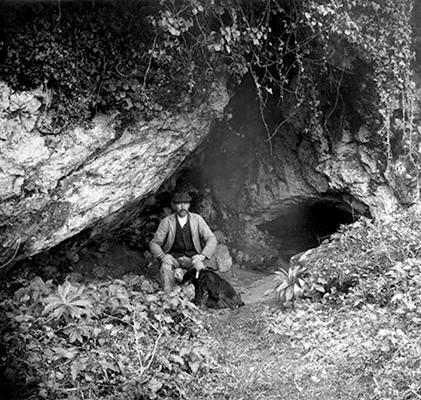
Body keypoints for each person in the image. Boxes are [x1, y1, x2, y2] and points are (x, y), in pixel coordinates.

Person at [149, 192, 217, 292]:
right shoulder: (167, 221)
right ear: (174, 205)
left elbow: (211, 238)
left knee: (200, 268)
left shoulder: (197, 219)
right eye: (179, 204)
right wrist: (163, 256)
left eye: (185, 204)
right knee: (165, 267)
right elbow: (154, 243)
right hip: (174, 258)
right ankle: (167, 297)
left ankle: (200, 299)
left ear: (189, 205)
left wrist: (202, 255)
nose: (182, 207)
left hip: (192, 258)